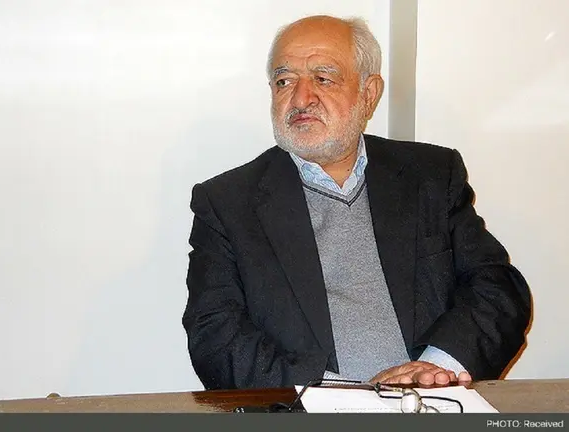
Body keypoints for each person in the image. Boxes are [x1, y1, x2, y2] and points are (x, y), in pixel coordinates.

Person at [182, 15, 531, 390]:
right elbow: (215, 337)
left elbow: (499, 290)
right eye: (284, 81)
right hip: (309, 409)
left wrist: (433, 370)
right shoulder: (227, 203)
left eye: (323, 78)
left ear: (369, 93)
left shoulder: (431, 175)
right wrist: (342, 395)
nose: (300, 98)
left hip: (431, 403)